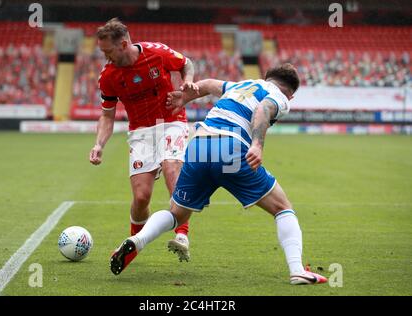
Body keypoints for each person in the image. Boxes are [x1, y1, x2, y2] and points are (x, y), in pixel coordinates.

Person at [109, 63, 328, 285]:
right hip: (230, 146)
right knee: (282, 208)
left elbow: (207, 85)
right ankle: (297, 270)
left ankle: (137, 240)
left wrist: (184, 99)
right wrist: (257, 144)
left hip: (199, 144)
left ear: (266, 77)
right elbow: (263, 110)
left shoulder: (241, 85)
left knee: (177, 213)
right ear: (290, 95)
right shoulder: (279, 96)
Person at [89, 18, 199, 262]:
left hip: (171, 122)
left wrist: (186, 82)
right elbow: (107, 115)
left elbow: (186, 63)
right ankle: (133, 246)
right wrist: (99, 144)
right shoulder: (109, 76)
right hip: (140, 132)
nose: (105, 57)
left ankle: (182, 235)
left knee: (172, 169)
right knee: (141, 198)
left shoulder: (156, 53)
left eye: (108, 51)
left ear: (124, 44)